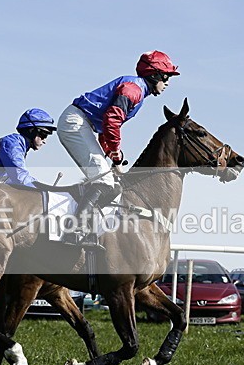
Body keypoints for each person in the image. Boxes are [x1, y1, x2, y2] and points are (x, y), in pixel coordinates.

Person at [56, 50, 180, 245]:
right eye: (166, 77)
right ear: (154, 74)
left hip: (81, 123)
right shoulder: (134, 90)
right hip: (76, 123)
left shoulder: (137, 90)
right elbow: (111, 121)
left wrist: (114, 156)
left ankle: (82, 227)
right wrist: (114, 152)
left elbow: (107, 129)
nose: (167, 83)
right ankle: (74, 232)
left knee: (107, 183)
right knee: (104, 182)